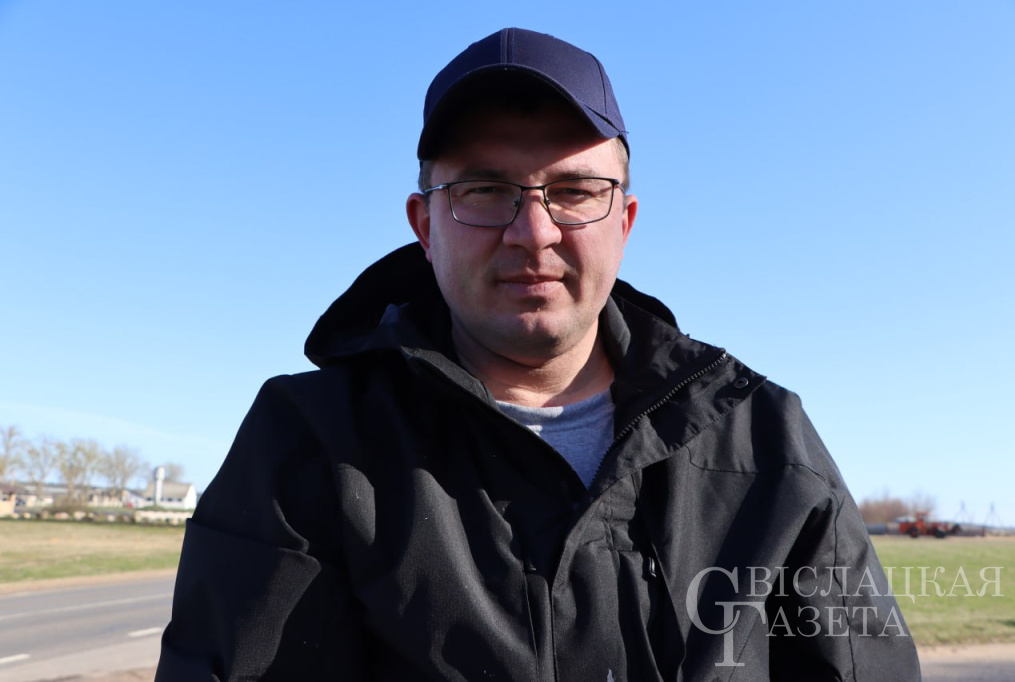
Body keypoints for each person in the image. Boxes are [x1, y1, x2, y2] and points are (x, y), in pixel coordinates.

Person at [157, 28, 921, 681]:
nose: (533, 233)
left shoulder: (766, 443)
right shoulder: (311, 442)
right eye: (485, 191)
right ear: (424, 227)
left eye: (574, 190)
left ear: (624, 221)